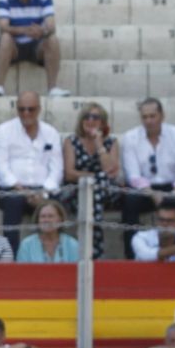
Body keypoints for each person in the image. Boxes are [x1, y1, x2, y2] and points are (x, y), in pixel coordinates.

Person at [119, 97, 175, 257]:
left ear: (162, 116)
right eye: (145, 117)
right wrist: (151, 194)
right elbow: (133, 175)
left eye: (153, 116)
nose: (149, 121)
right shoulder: (130, 138)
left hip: (174, 187)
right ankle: (130, 258)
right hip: (145, 189)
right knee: (130, 202)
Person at [0, 90, 61, 249]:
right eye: (21, 109)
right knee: (13, 202)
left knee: (54, 206)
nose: (26, 113)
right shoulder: (4, 130)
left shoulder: (51, 133)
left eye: (31, 109)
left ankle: (54, 255)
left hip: (43, 189)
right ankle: (11, 257)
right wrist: (21, 190)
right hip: (13, 189)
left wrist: (43, 193)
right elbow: (0, 167)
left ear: (39, 109)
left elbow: (57, 168)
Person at [59, 102, 120, 259]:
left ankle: (87, 252)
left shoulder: (111, 142)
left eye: (95, 117)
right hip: (77, 190)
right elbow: (69, 174)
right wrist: (96, 178)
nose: (90, 120)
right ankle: (96, 254)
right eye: (87, 116)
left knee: (96, 192)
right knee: (94, 193)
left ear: (103, 121)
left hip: (106, 192)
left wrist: (99, 143)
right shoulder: (71, 141)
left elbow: (111, 172)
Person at [0, 0, 66, 98]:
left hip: (36, 45)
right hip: (14, 45)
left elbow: (51, 26)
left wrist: (42, 31)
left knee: (52, 39)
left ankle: (53, 88)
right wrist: (25, 30)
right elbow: (3, 27)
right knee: (5, 38)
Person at [13, 198, 76, 263]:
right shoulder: (27, 245)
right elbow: (22, 272)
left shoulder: (72, 244)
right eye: (43, 216)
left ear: (60, 219)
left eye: (51, 216)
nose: (46, 220)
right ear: (38, 220)